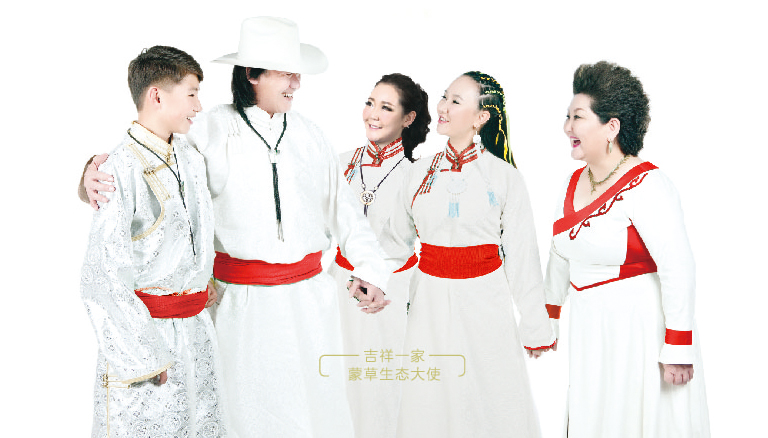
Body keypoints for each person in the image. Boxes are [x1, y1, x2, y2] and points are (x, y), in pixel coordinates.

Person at [81, 17, 394, 438]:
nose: (296, 82)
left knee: (316, 413)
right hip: (238, 308)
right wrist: (90, 177)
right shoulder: (208, 131)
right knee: (244, 415)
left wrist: (372, 270)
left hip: (308, 303)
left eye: (297, 73)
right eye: (285, 72)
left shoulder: (310, 136)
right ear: (252, 74)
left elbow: (346, 212)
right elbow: (154, 169)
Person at [378, 72, 555, 438]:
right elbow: (394, 244)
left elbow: (522, 257)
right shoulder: (418, 172)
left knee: (490, 394)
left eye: (456, 101)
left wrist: (535, 327)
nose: (442, 107)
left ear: (481, 117)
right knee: (430, 397)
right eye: (444, 97)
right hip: (428, 302)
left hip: (486, 302)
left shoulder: (504, 178)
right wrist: (369, 283)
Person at [545, 61, 710, 437]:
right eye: (567, 116)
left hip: (640, 333)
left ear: (612, 127)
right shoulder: (571, 183)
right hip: (591, 333)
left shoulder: (649, 184)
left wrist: (678, 346)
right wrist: (547, 318)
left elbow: (677, 265)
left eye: (578, 117)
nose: (568, 127)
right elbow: (560, 255)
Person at [80, 45, 230, 437]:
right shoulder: (119, 167)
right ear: (157, 95)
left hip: (195, 331)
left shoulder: (189, 156)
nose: (199, 106)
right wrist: (143, 356)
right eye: (192, 93)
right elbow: (101, 275)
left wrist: (204, 279)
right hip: (149, 338)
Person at [330, 73, 430, 438]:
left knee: (382, 387)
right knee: (335, 382)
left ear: (408, 118)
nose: (373, 114)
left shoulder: (420, 175)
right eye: (370, 103)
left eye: (386, 107)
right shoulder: (338, 164)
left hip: (391, 293)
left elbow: (433, 242)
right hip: (338, 287)